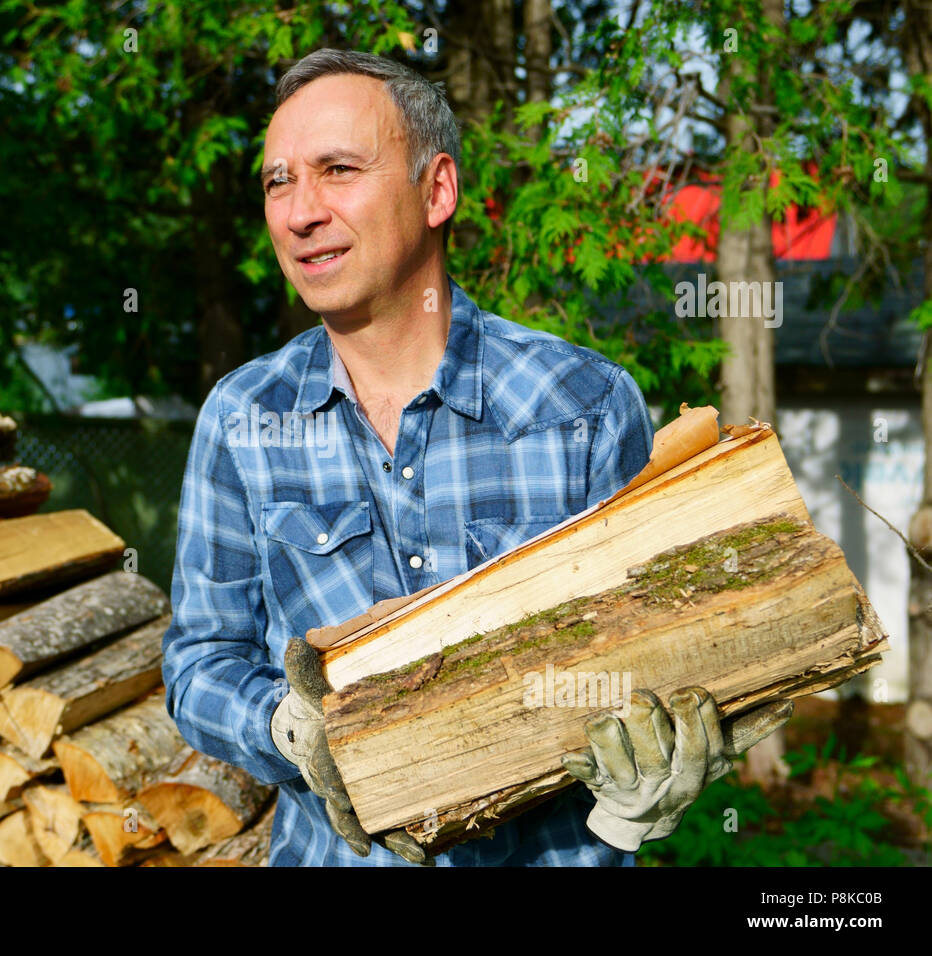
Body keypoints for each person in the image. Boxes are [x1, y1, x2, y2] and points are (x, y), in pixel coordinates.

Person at [161, 48, 789, 866]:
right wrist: (289, 727)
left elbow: (661, 654)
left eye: (337, 170)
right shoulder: (245, 417)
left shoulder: (583, 405)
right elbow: (200, 661)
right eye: (279, 182)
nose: (298, 212)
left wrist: (644, 797)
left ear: (437, 190)